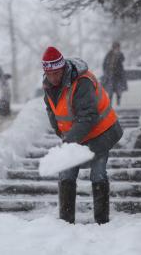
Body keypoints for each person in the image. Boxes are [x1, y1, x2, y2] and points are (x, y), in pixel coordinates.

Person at [42, 46, 123, 224]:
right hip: (76, 136)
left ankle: (102, 221)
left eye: (57, 73)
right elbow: (52, 111)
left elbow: (88, 116)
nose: (54, 77)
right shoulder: (48, 86)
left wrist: (68, 141)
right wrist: (62, 134)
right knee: (66, 175)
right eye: (50, 73)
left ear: (63, 68)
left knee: (98, 174)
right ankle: (65, 222)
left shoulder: (82, 82)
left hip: (101, 133)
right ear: (45, 72)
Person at [102, 41, 128, 106]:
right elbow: (104, 64)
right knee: (110, 93)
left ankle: (118, 106)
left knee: (118, 93)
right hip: (110, 77)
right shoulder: (109, 55)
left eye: (118, 48)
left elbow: (122, 59)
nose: (117, 49)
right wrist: (106, 73)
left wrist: (118, 55)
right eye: (116, 47)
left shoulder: (120, 55)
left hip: (118, 77)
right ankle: (110, 107)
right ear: (113, 48)